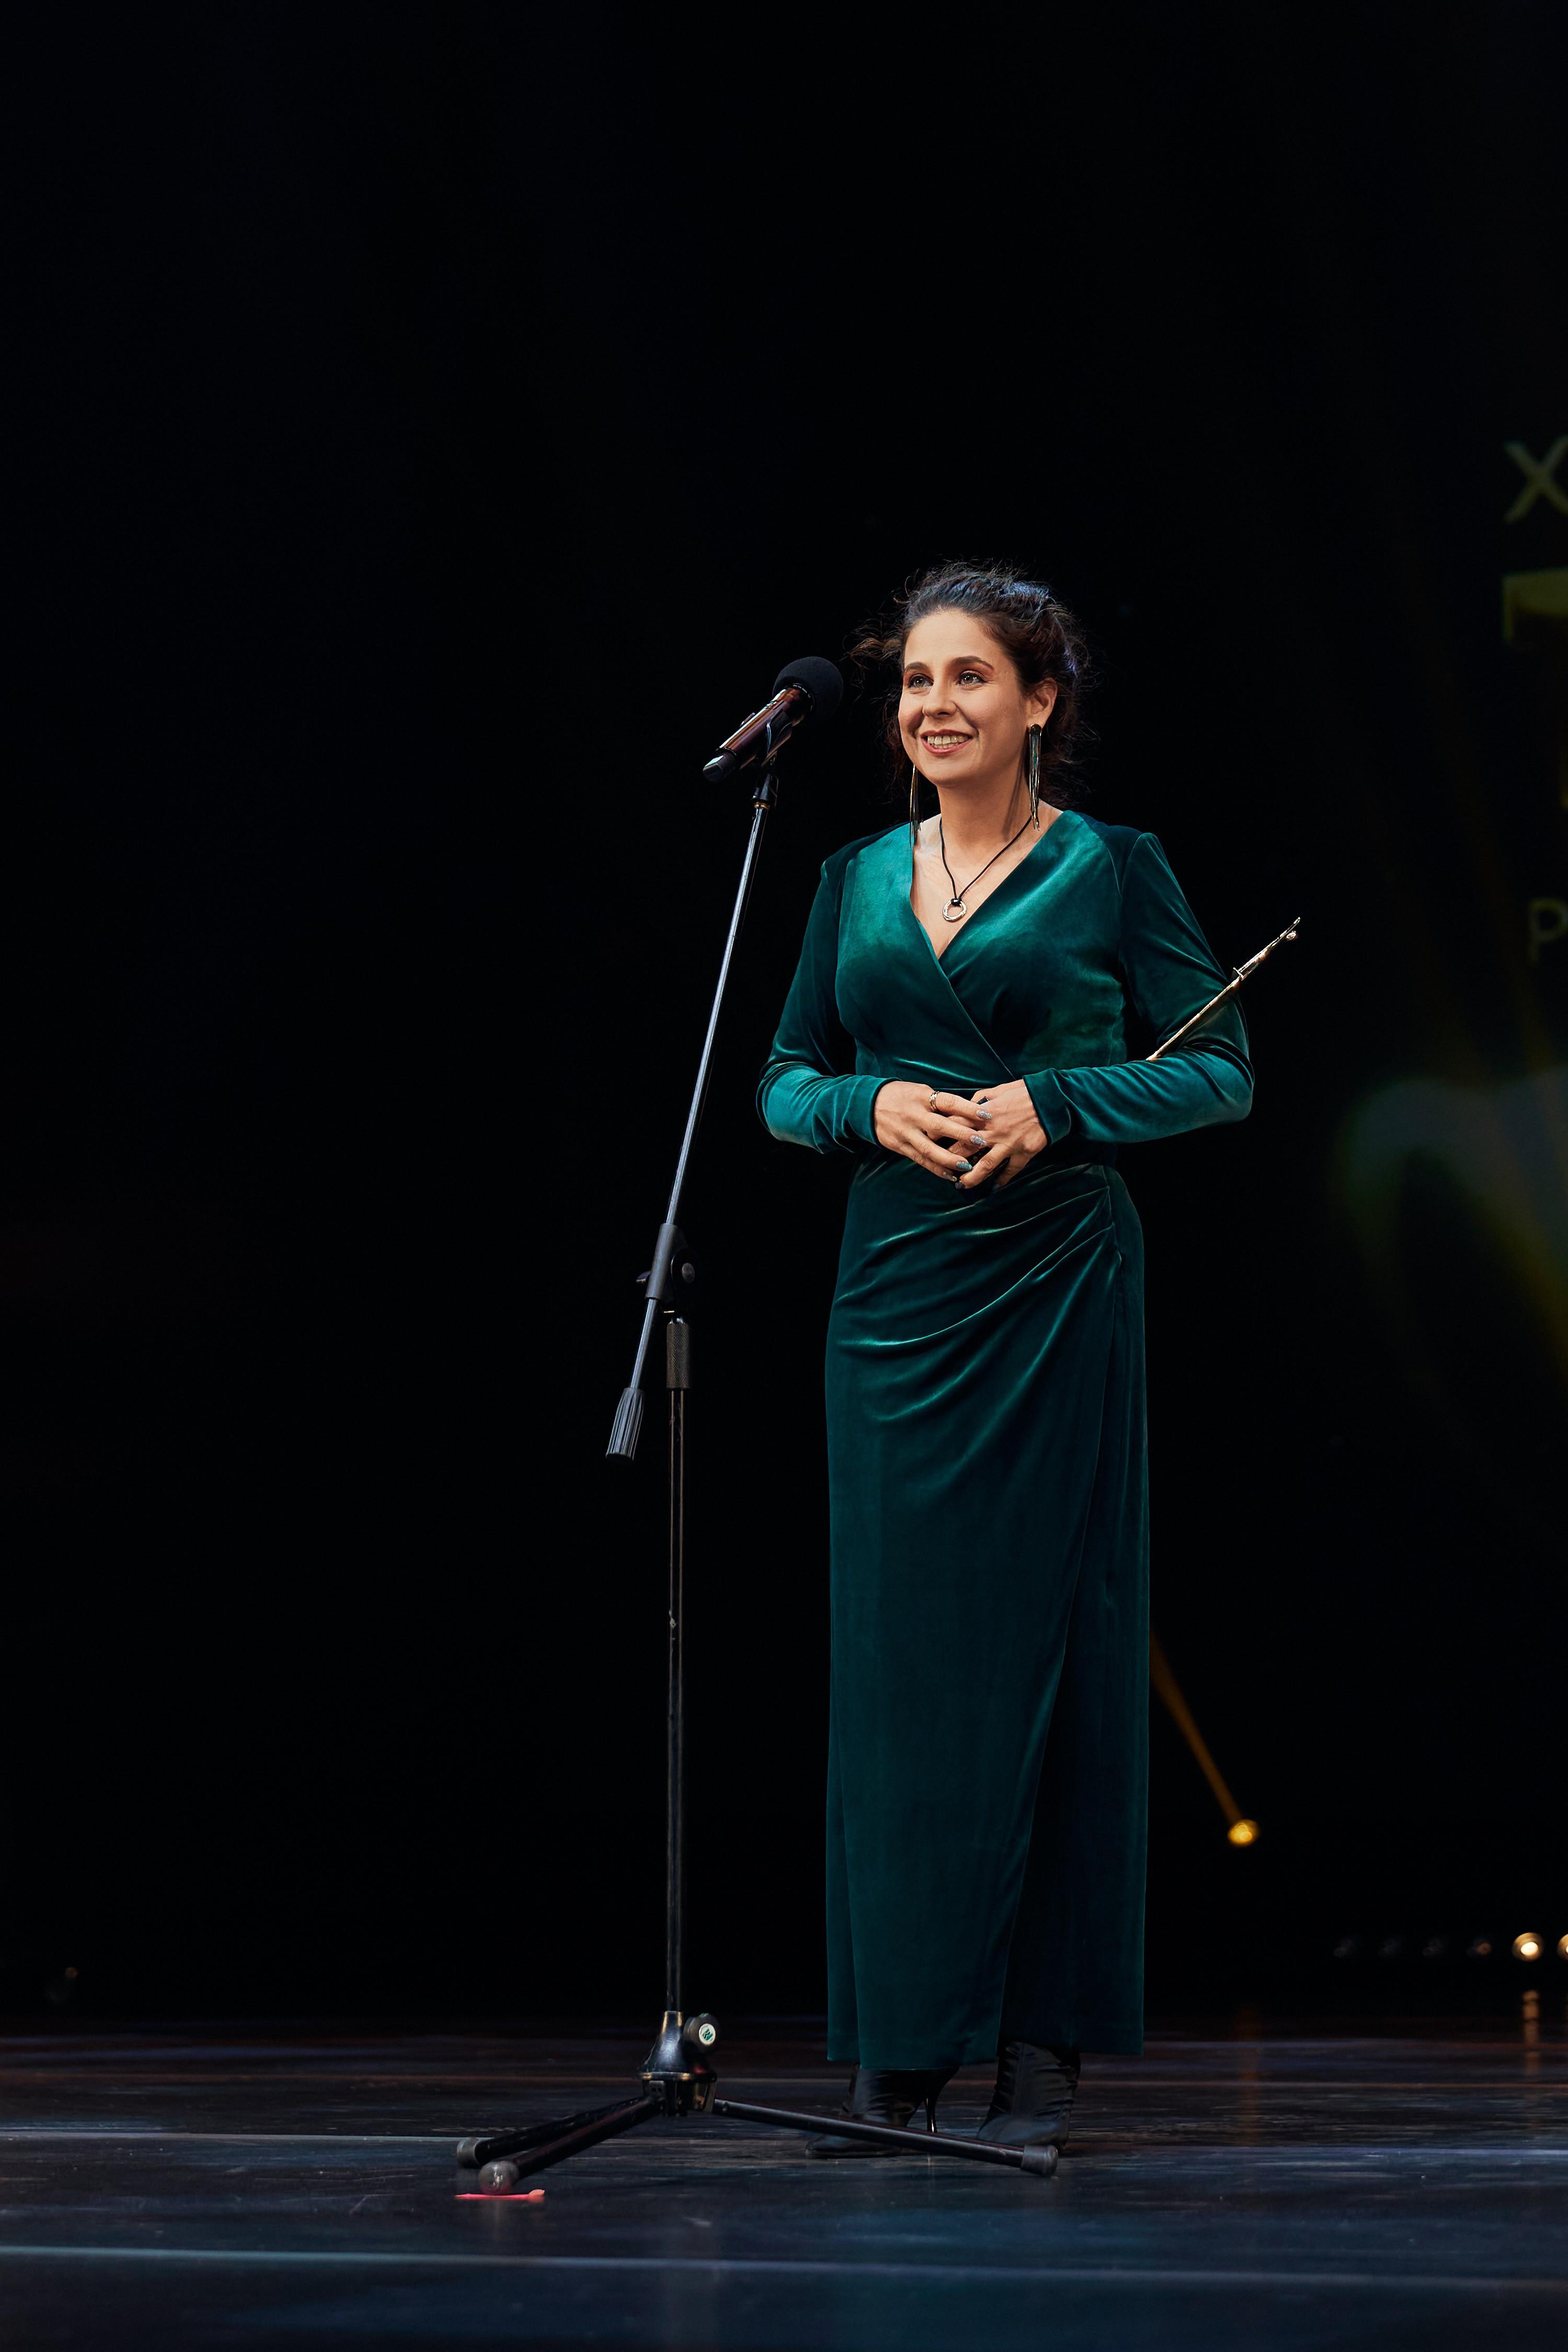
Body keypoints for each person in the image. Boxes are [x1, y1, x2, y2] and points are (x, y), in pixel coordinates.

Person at [757, 561, 1253, 2154]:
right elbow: (783, 1078)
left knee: (1061, 1646)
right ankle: (900, 2041)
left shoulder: (1115, 867)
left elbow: (1223, 1072)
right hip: (894, 1293)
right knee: (896, 1671)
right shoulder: (849, 876)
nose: (934, 704)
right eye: (916, 680)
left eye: (969, 676)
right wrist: (867, 1104)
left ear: (1041, 700)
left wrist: (1061, 1099)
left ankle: (1043, 2038)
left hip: (1054, 1285)